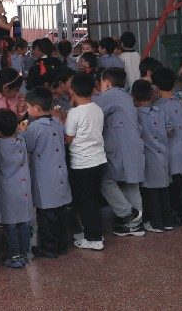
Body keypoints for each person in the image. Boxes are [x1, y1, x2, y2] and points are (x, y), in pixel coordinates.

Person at [94, 68, 146, 237]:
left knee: (104, 179)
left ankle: (127, 214)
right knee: (131, 184)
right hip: (134, 145)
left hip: (120, 147)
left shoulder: (109, 95)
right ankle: (136, 225)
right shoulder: (126, 95)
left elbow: (92, 114)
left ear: (107, 83)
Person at [21, 87, 72, 258]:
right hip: (60, 173)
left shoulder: (35, 127)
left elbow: (28, 146)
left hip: (45, 176)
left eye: (28, 107)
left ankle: (49, 248)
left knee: (46, 215)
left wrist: (22, 132)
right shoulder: (57, 122)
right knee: (61, 212)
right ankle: (62, 245)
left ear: (36, 108)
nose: (27, 110)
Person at [64, 74, 107, 251]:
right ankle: (93, 232)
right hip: (99, 160)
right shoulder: (97, 108)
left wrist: (61, 119)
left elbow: (68, 138)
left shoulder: (74, 113)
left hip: (82, 163)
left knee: (85, 201)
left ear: (72, 91)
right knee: (93, 199)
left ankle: (93, 238)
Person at [151, 68, 182, 226]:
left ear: (155, 87)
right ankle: (181, 211)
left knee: (173, 185)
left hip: (170, 153)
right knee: (179, 183)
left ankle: (180, 213)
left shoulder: (158, 107)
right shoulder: (178, 101)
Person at [0, 108, 31, 269]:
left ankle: (14, 256)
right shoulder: (21, 140)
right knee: (24, 220)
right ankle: (25, 253)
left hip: (7, 188)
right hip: (24, 186)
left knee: (10, 223)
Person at [132, 80, 173, 233]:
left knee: (150, 191)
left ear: (133, 97)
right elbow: (170, 129)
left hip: (148, 158)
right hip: (163, 155)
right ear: (152, 95)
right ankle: (168, 221)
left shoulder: (135, 115)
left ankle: (156, 223)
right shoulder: (160, 111)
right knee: (164, 190)